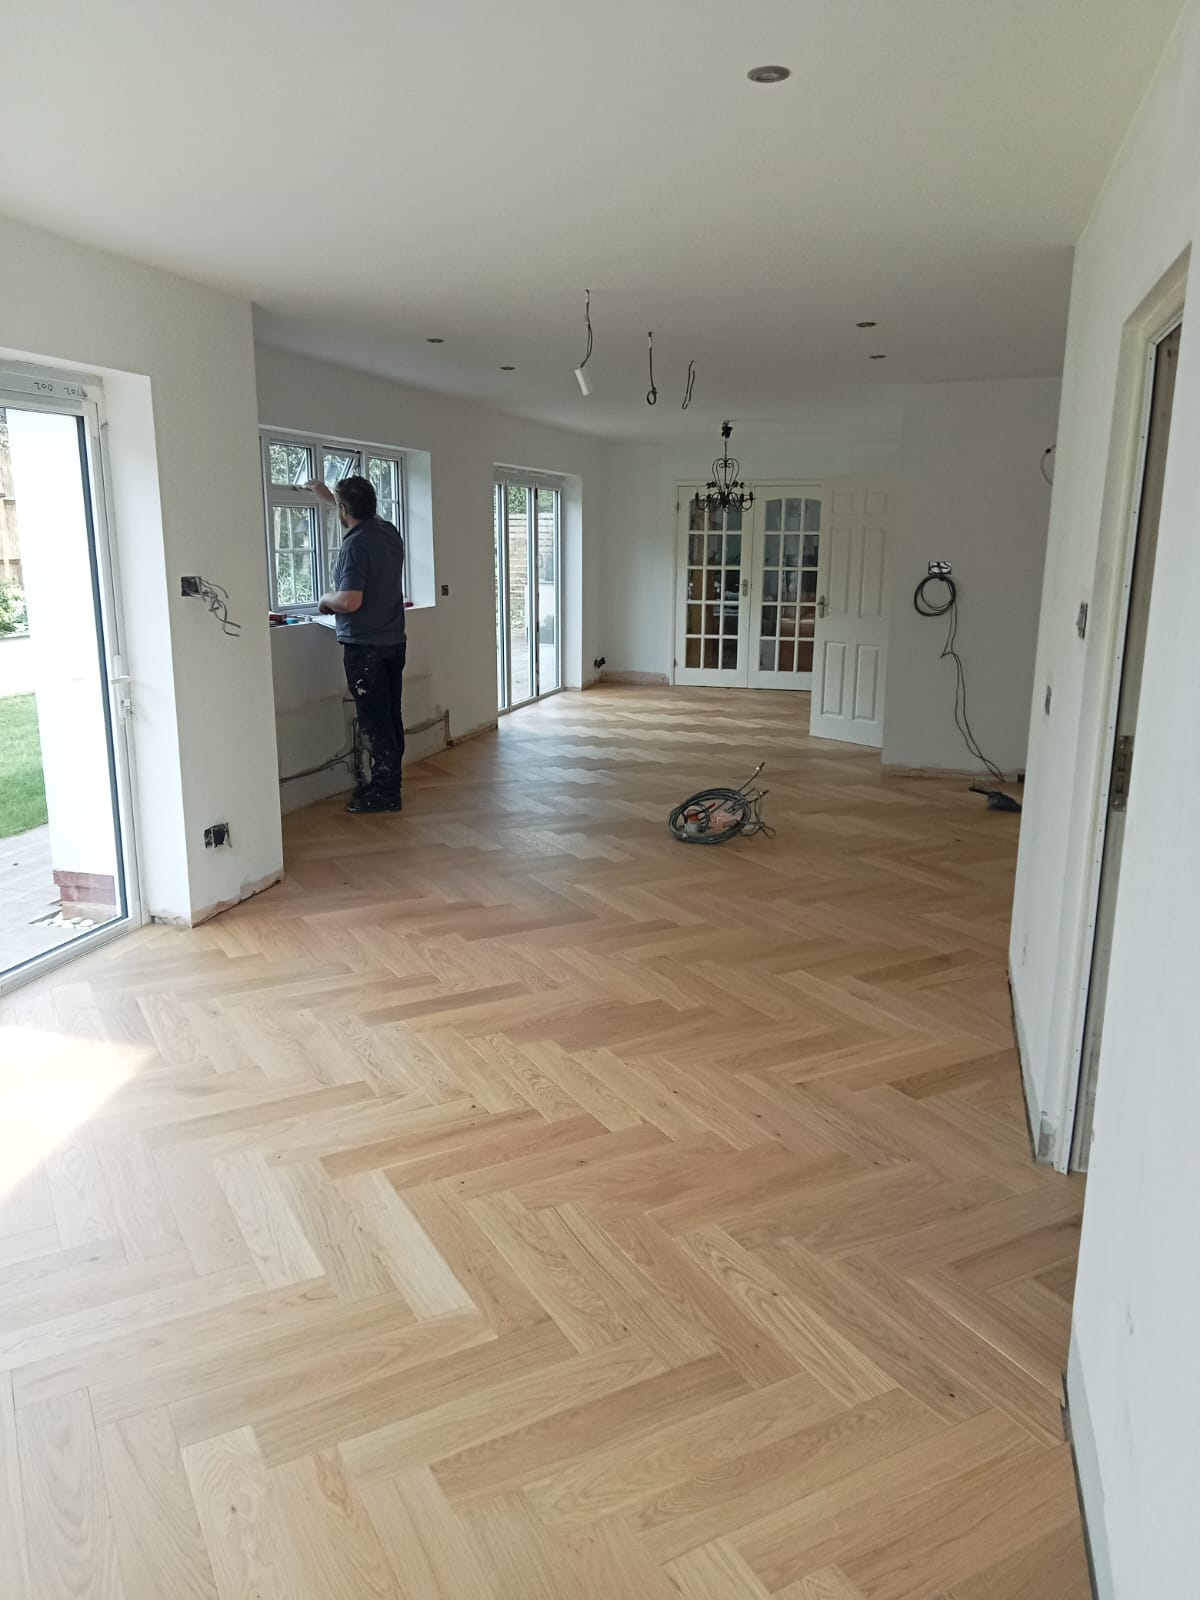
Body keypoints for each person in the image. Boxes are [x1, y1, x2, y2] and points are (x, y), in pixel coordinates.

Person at [306, 474, 407, 814]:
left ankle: (384, 793)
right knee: (391, 716)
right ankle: (391, 784)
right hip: (394, 641)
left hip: (366, 648)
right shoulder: (389, 533)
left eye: (339, 507)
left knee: (375, 722)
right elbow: (357, 515)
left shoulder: (355, 544)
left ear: (345, 509)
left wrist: (324, 598)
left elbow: (349, 602)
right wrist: (330, 498)